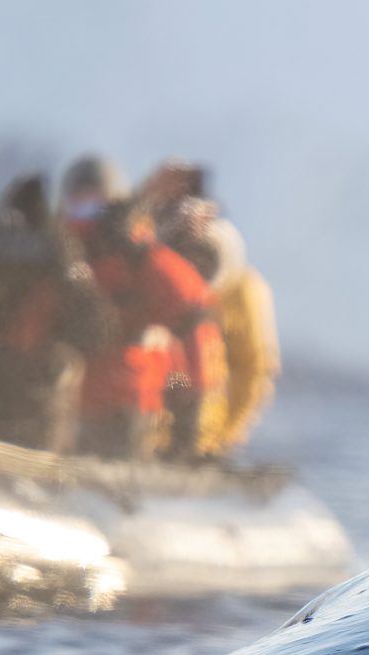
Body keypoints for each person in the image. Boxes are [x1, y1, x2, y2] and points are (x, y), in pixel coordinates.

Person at [76, 194, 224, 459]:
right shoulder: (101, 266)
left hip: (124, 397)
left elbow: (196, 339)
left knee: (166, 375)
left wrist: (186, 434)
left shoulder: (160, 271)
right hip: (103, 395)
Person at [0, 175, 114, 454]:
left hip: (38, 363)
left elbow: (97, 322)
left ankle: (40, 456)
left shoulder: (64, 255)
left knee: (56, 374)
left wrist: (61, 346)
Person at [156, 186, 279, 457]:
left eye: (202, 259)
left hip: (210, 430)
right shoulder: (163, 283)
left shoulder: (244, 291)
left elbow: (254, 369)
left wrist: (226, 436)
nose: (196, 266)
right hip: (158, 429)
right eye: (188, 257)